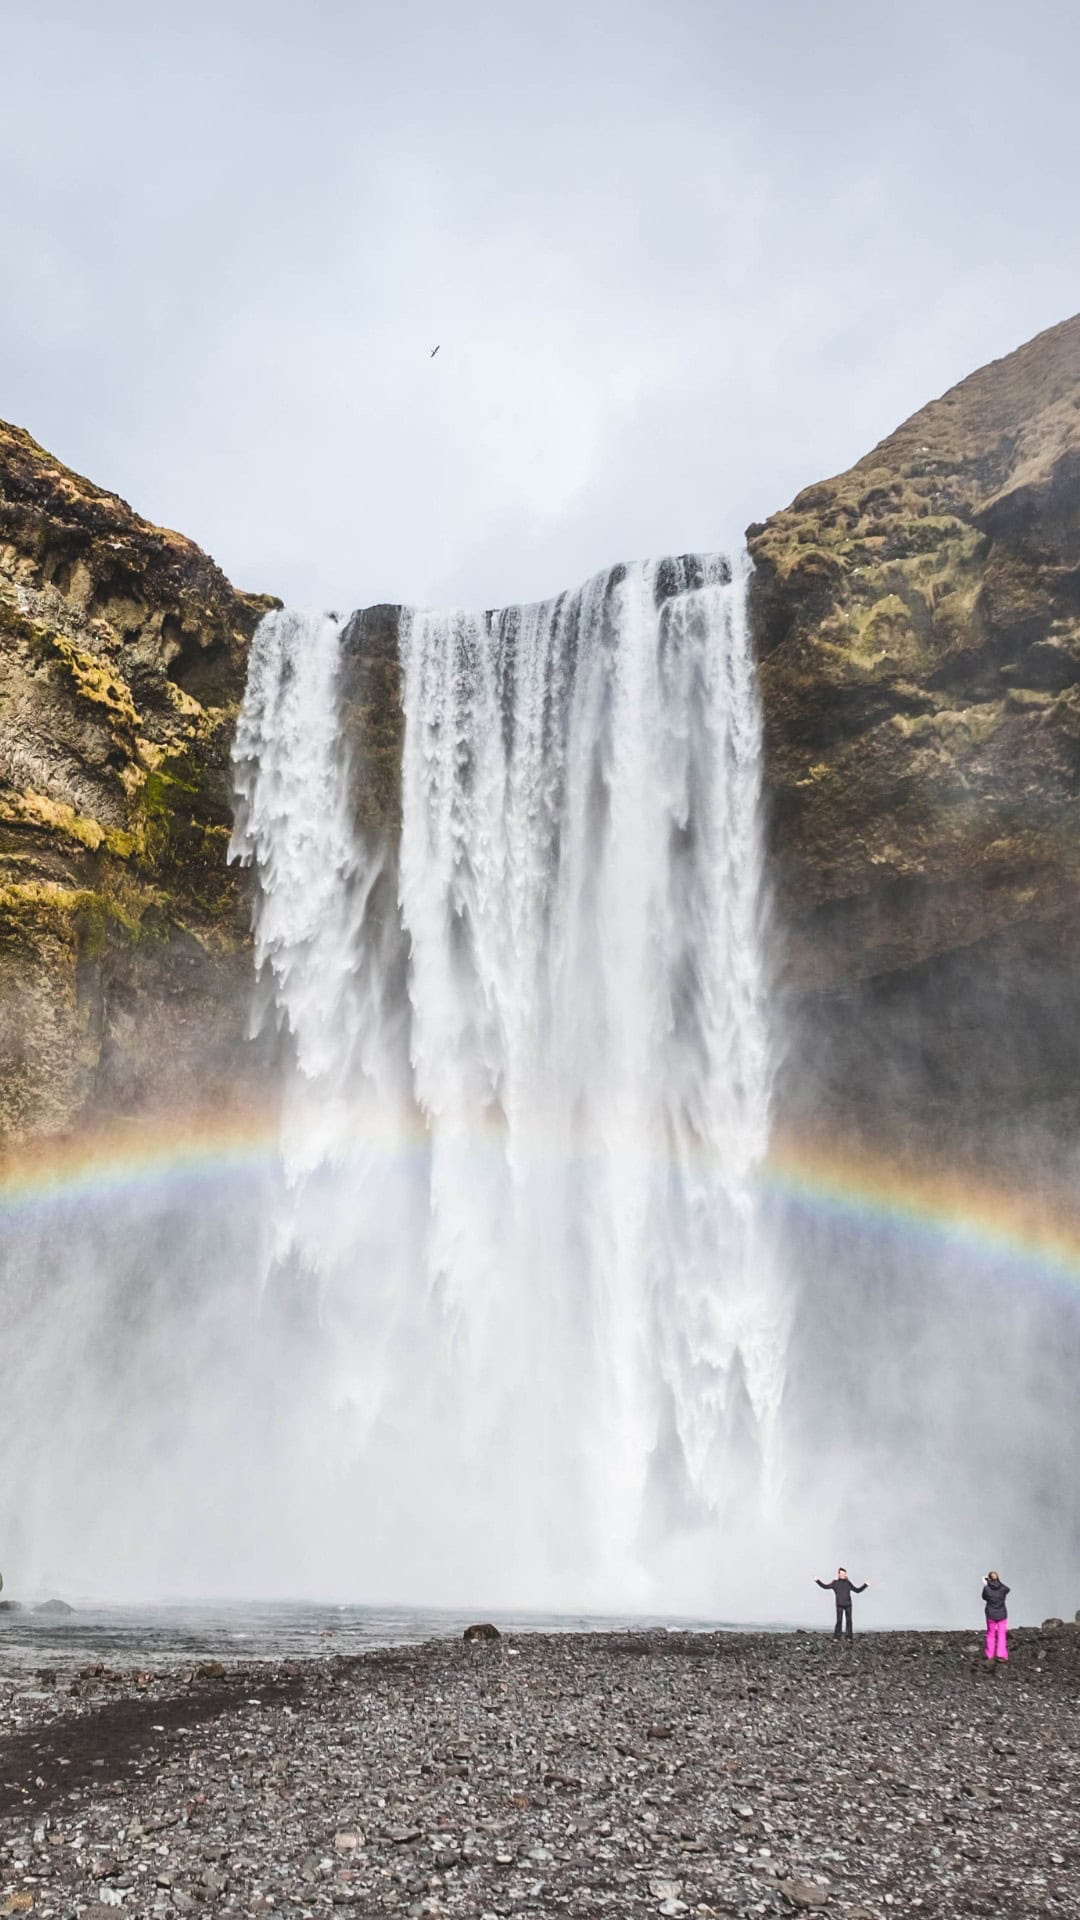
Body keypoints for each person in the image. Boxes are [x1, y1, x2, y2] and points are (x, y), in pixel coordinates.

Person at [815, 1566, 868, 1639]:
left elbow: (857, 1590)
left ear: (846, 1575)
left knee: (849, 1621)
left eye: (844, 1574)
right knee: (839, 1621)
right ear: (839, 1575)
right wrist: (817, 1581)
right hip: (839, 1605)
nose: (843, 1575)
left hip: (848, 1605)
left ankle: (849, 1637)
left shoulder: (848, 1583)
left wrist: (865, 1585)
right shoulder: (835, 1583)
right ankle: (837, 1637)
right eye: (841, 1574)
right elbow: (825, 1586)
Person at [982, 1571, 1010, 1665]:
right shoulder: (1002, 1589)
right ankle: (1001, 1654)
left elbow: (984, 1597)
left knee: (991, 1634)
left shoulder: (987, 1589)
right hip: (1002, 1614)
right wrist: (999, 1582)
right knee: (1002, 1634)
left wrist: (987, 1584)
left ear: (989, 1579)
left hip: (990, 1614)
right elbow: (1007, 1589)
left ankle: (989, 1654)